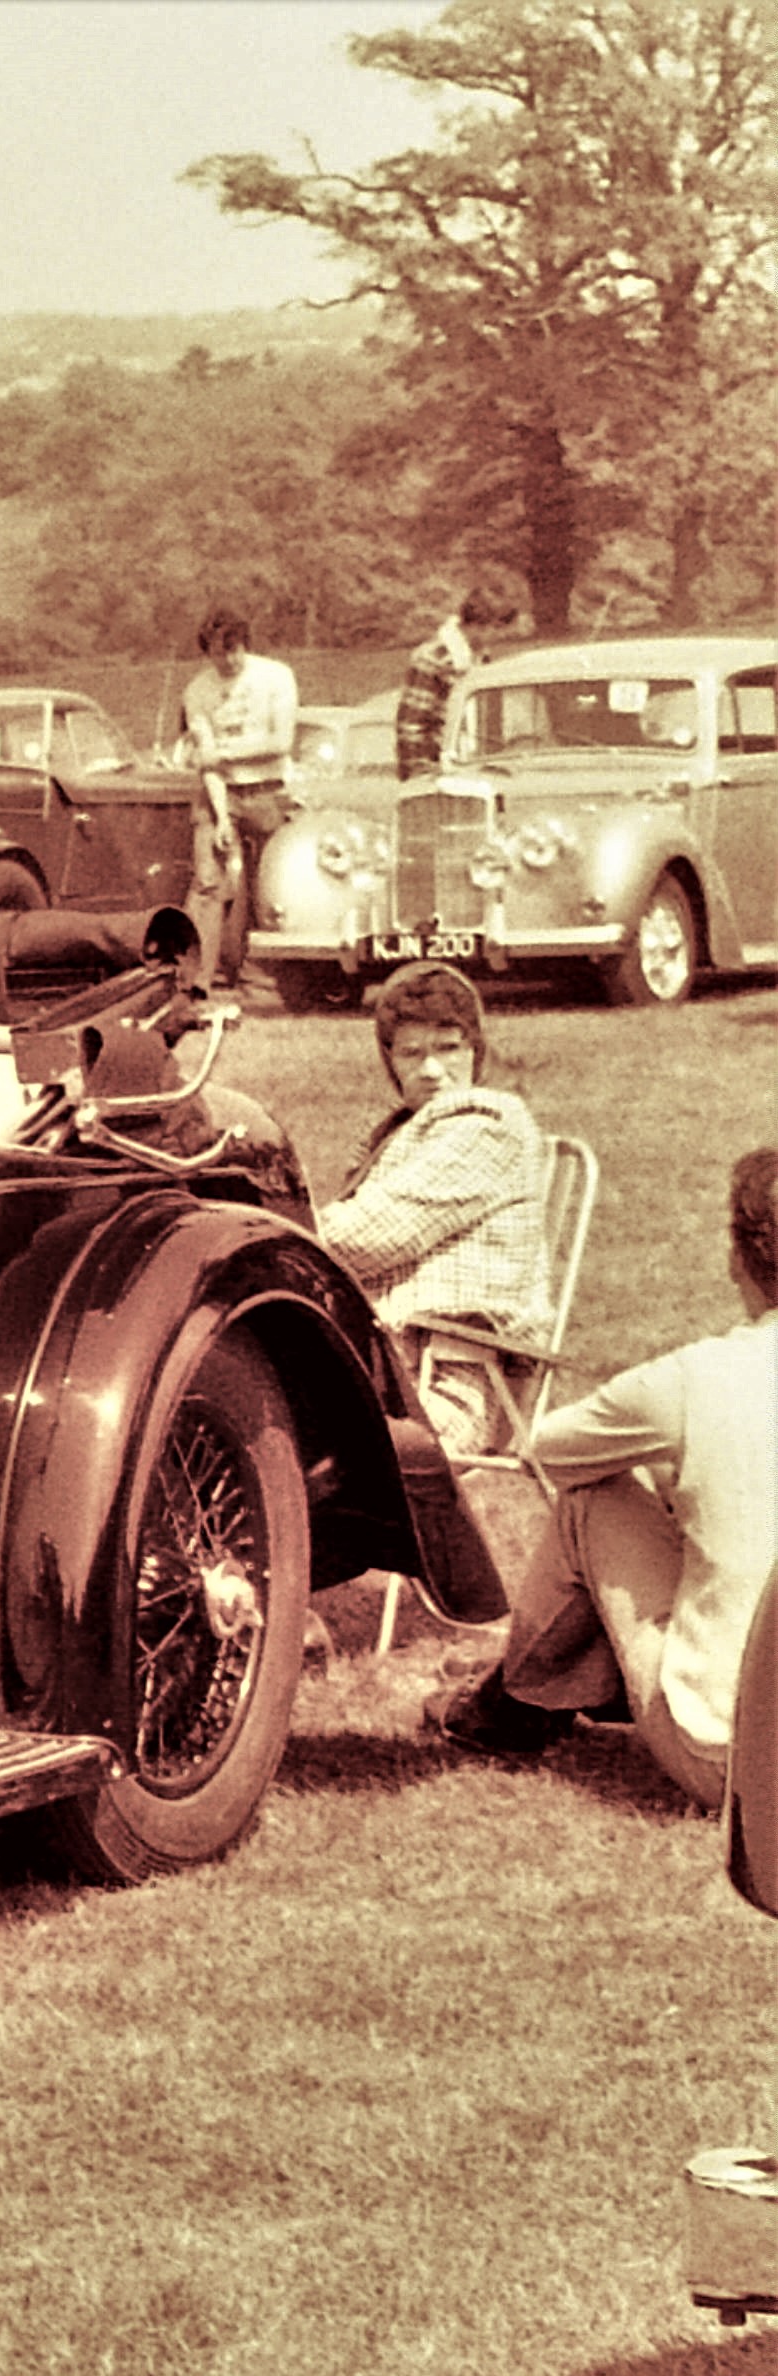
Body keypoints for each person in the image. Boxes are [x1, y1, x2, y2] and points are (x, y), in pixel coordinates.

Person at [427, 1147, 778, 1809]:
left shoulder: (695, 1379)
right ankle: (565, 1683)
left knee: (596, 1495)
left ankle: (514, 1707)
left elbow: (550, 1451)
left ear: (737, 1257)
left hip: (742, 1768)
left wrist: (669, 1466)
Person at [316, 963, 550, 1455]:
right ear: (390, 1060)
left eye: (448, 1048)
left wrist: (283, 1231)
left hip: (450, 1385)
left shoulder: (487, 1126)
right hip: (387, 1370)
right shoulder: (399, 1133)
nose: (431, 1070)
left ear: (475, 1050)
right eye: (411, 1053)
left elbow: (366, 1238)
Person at [179, 606, 296, 988]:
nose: (228, 660)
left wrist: (224, 753)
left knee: (273, 883)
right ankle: (195, 980)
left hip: (268, 789)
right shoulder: (196, 691)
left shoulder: (276, 677)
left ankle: (272, 975)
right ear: (207, 653)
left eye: (234, 650)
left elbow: (280, 741)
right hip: (220, 792)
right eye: (219, 653)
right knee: (208, 883)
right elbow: (206, 762)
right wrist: (221, 818)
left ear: (245, 644)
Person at [393, 585, 510, 779]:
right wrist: (420, 773)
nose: (500, 636)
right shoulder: (432, 659)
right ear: (477, 625)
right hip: (435, 771)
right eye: (496, 628)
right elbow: (411, 724)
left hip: (475, 767)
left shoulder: (481, 658)